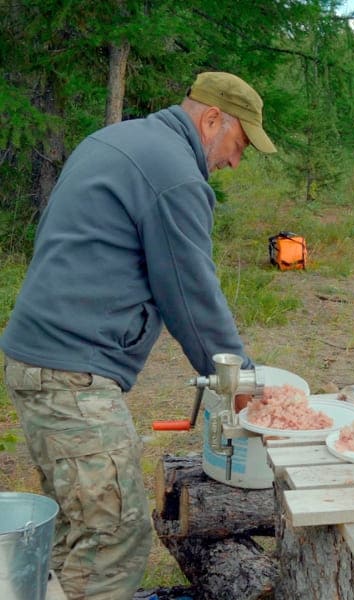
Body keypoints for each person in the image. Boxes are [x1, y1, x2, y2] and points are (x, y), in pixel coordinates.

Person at [1, 71, 276, 600]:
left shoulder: (116, 139)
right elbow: (192, 294)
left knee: (78, 530)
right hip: (71, 377)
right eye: (238, 145)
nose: (235, 162)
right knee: (115, 537)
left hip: (38, 360)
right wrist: (239, 379)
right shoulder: (174, 174)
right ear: (212, 119)